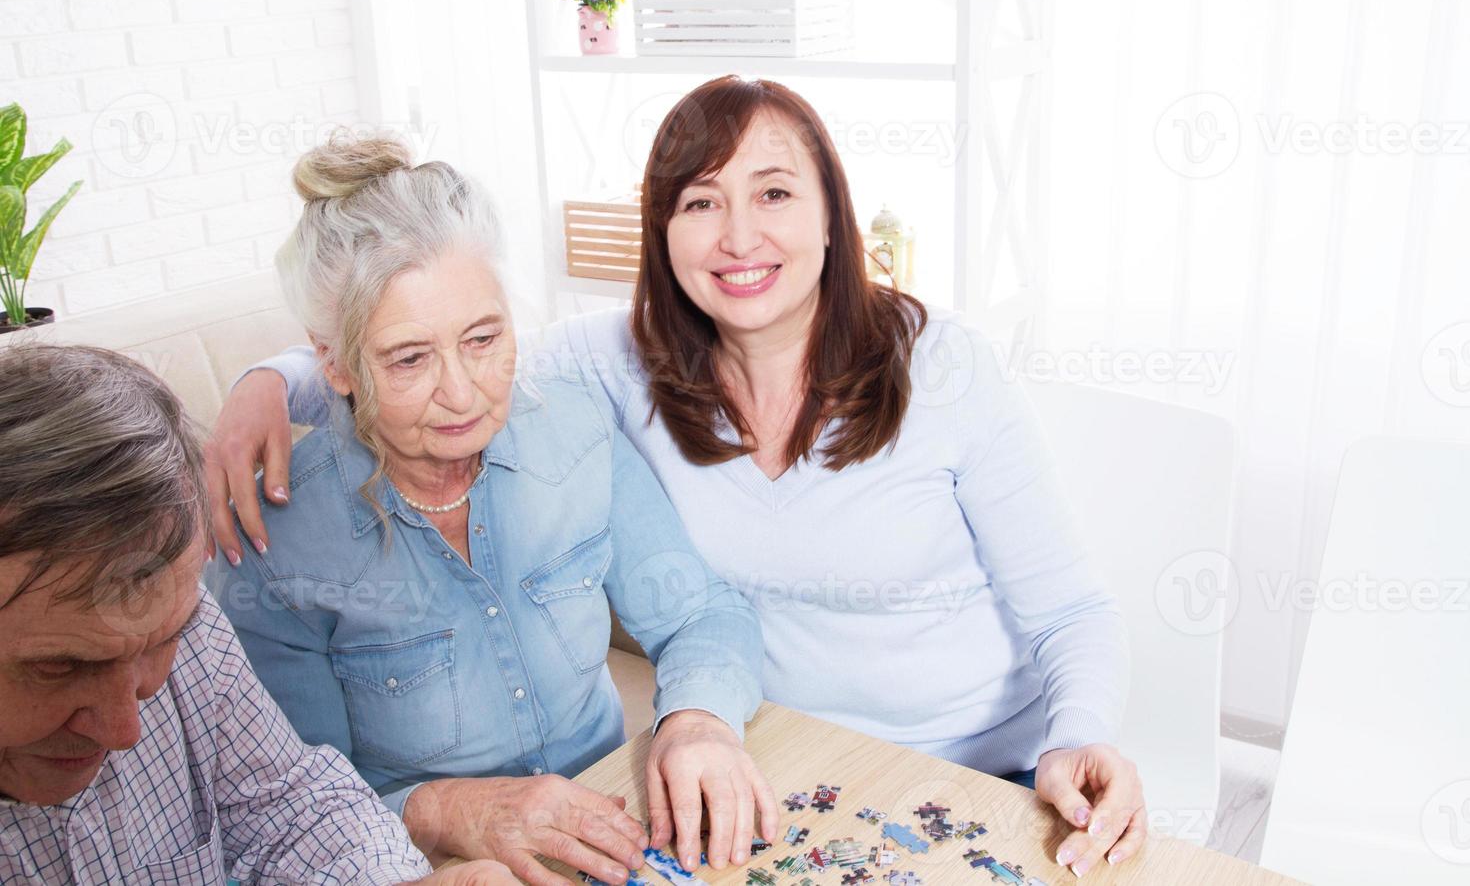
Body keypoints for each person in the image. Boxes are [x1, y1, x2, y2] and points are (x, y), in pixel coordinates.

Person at [211, 78, 1147, 878]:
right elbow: (428, 339)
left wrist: (1081, 733)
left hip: (986, 767)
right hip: (782, 760)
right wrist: (265, 387)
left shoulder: (946, 366)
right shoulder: (608, 361)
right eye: (700, 202)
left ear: (833, 214)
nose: (739, 237)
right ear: (662, 233)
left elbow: (1071, 611)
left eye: (774, 193)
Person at [204, 134, 775, 886]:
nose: (464, 392)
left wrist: (698, 722)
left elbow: (700, 613)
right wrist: (445, 809)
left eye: (483, 339)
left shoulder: (575, 429)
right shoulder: (276, 541)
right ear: (334, 364)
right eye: (409, 358)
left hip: (622, 828)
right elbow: (284, 808)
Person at [0, 343, 510, 885]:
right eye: (59, 668)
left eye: (161, 644)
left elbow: (290, 809)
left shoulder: (190, 625)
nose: (126, 729)